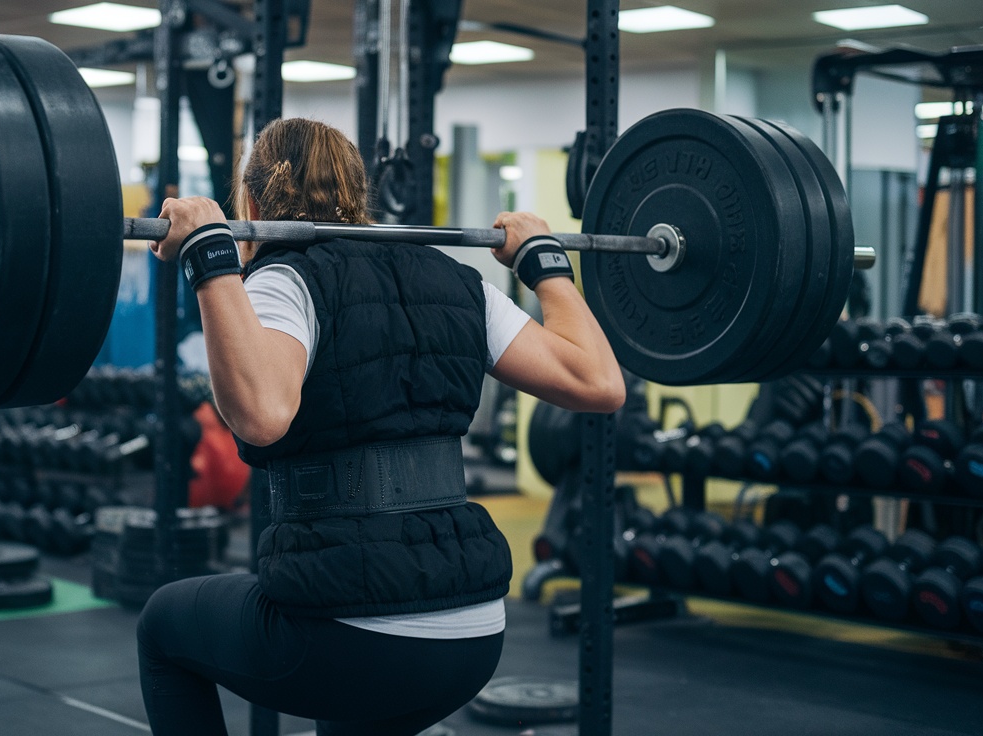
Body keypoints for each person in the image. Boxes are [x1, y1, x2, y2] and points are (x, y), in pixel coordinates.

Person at [139, 118, 624, 736]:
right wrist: (544, 263)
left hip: (353, 638)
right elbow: (599, 381)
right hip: (472, 636)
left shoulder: (285, 280)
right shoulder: (458, 282)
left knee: (163, 626)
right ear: (359, 193)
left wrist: (211, 256)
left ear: (253, 206)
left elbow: (262, 415)